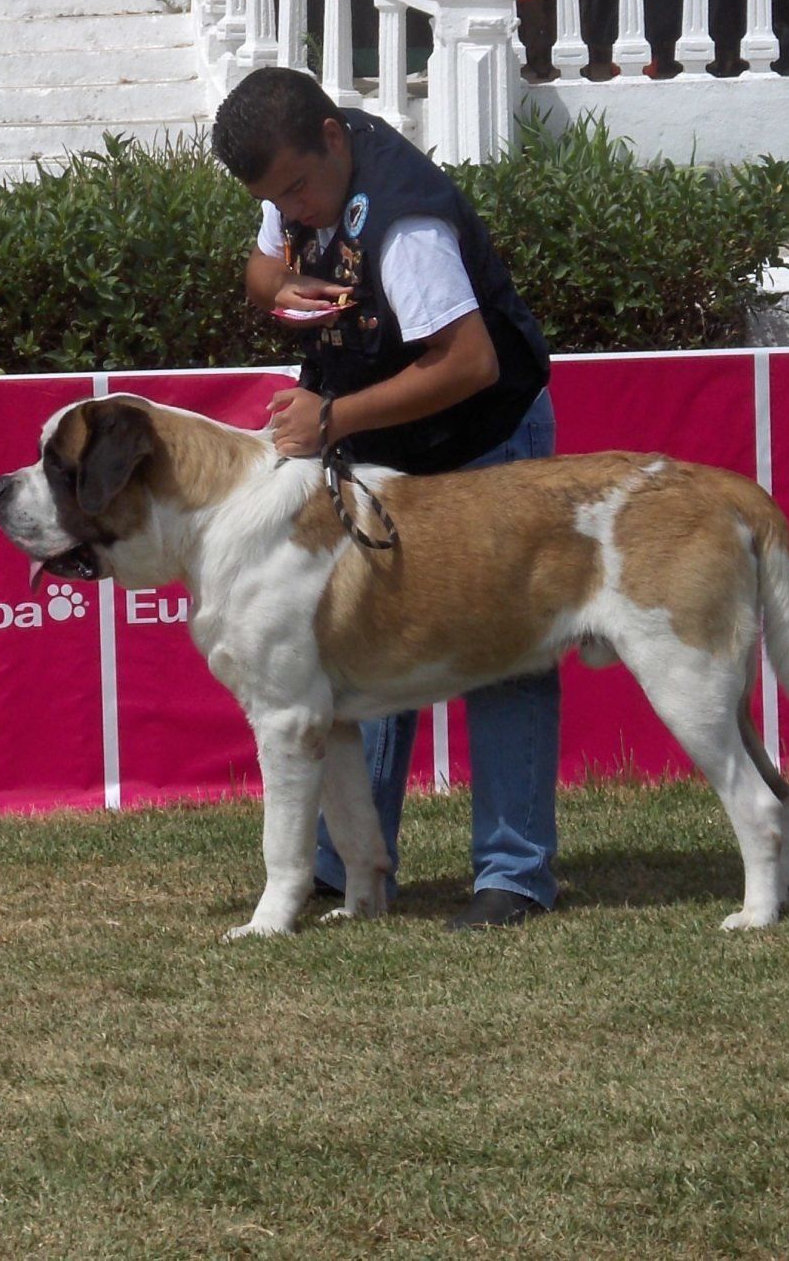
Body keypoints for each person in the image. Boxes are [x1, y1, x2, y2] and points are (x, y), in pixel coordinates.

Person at [209, 66, 560, 932]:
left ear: (333, 138)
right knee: (361, 641)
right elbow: (260, 267)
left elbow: (469, 362)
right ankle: (352, 867)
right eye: (273, 199)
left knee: (508, 651)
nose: (290, 211)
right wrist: (278, 287)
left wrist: (331, 418)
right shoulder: (300, 170)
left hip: (481, 435)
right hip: (380, 442)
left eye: (296, 190)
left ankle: (513, 875)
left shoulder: (409, 227)